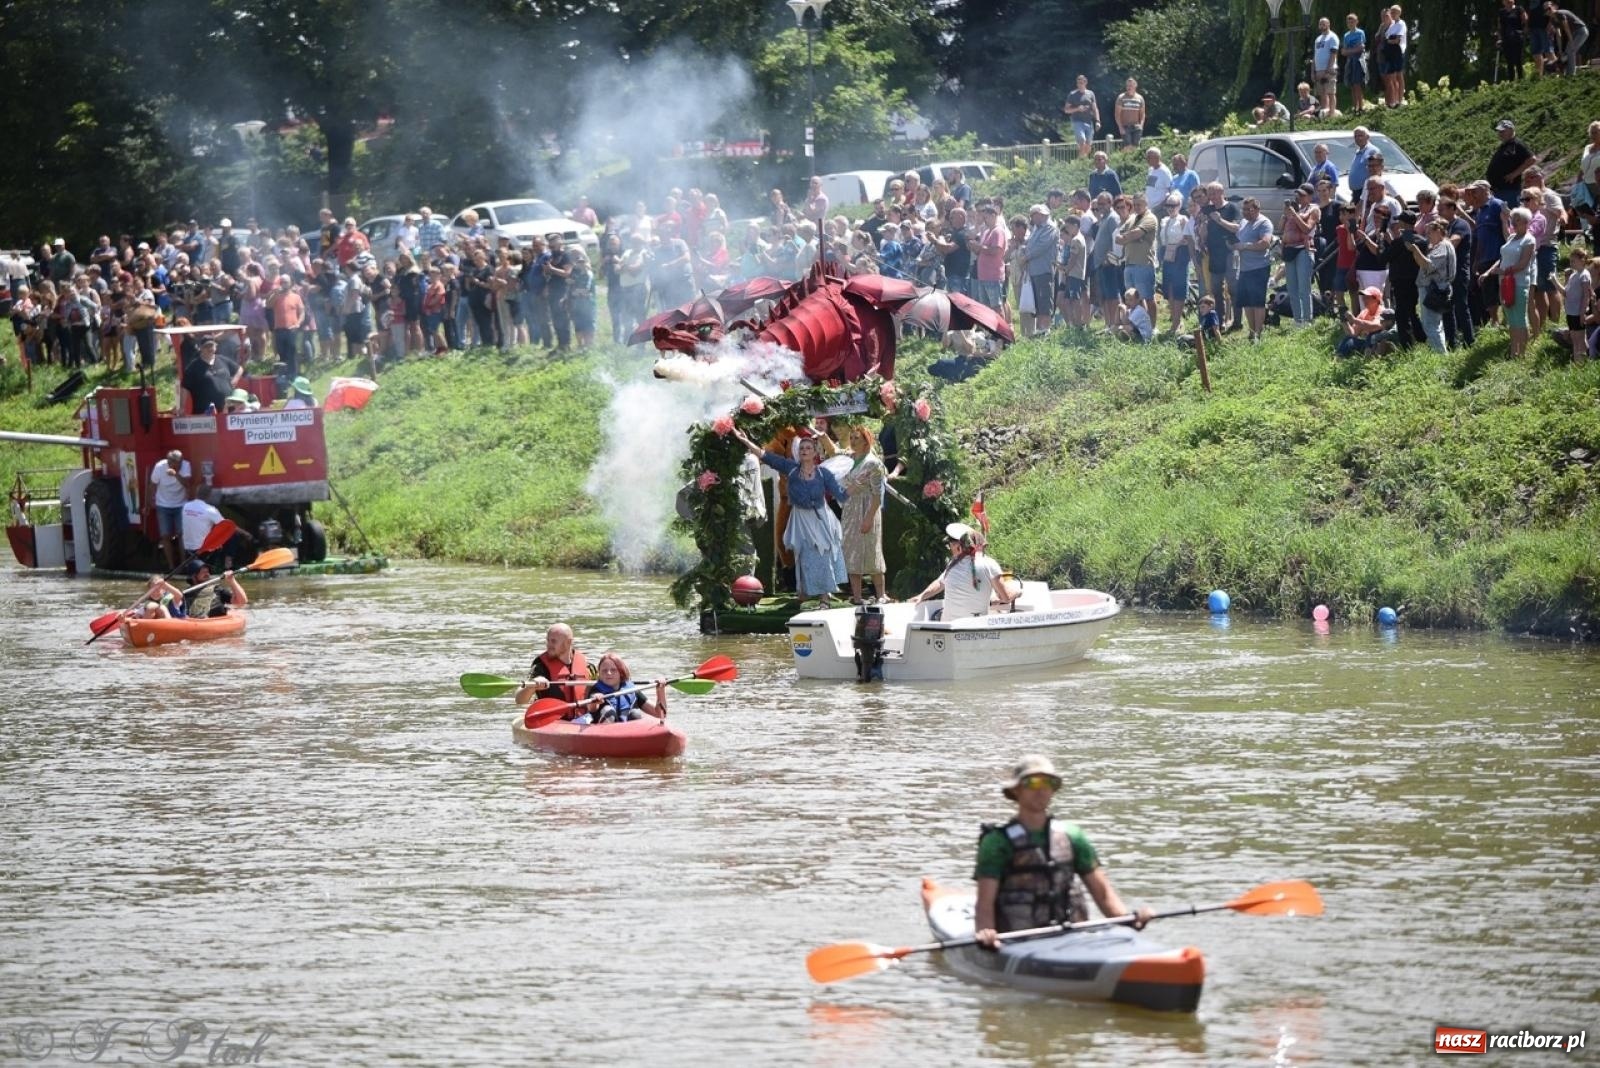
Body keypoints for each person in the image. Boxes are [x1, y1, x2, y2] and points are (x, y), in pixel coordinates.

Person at [973, 754, 1154, 948]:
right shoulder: (996, 842)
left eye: (1047, 782)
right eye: (1032, 782)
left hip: (1072, 938)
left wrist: (1128, 919)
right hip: (1018, 941)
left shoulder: (1073, 836)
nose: (1041, 789)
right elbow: (985, 904)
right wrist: (987, 935)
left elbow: (1103, 895)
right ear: (1017, 790)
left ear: (1053, 789)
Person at [733, 427, 849, 607]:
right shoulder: (791, 468)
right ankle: (802, 594)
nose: (804, 451)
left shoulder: (823, 474)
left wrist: (857, 486)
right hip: (800, 518)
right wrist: (745, 441)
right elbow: (766, 456)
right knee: (802, 555)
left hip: (820, 518)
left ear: (815, 451)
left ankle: (824, 598)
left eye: (808, 448)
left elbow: (841, 495)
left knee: (822, 553)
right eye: (802, 448)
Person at [908, 522, 1014, 619]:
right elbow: (1006, 597)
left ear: (959, 546)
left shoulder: (953, 565)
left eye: (951, 544)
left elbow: (940, 583)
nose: (950, 548)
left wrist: (922, 596)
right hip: (975, 628)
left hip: (948, 627)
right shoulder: (989, 564)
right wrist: (1018, 592)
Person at [839, 425, 889, 605]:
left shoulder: (873, 463)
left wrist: (868, 518)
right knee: (851, 550)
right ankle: (857, 596)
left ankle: (881, 594)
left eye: (857, 438)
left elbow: (878, 494)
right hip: (850, 508)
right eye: (851, 438)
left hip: (868, 507)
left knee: (872, 550)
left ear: (866, 441)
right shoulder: (847, 459)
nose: (852, 441)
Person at [1479, 206, 1538, 358]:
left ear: (1526, 222)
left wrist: (1504, 271)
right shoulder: (1512, 238)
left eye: (1518, 220)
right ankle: (1514, 352)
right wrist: (1489, 272)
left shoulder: (1529, 240)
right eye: (1513, 220)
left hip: (1518, 283)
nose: (1514, 223)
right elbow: (1502, 258)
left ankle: (1522, 353)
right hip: (1505, 283)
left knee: (1519, 318)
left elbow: (1523, 264)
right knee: (1511, 319)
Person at [569, 652, 667, 725]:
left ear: (621, 672)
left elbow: (658, 713)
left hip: (628, 735)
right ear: (599, 674)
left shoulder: (631, 690)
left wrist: (660, 690)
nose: (609, 673)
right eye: (604, 670)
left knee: (635, 714)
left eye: (613, 670)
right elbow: (592, 707)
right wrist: (595, 700)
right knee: (608, 712)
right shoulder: (596, 689)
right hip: (604, 735)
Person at [513, 624, 595, 705]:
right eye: (548, 640)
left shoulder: (588, 666)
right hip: (552, 716)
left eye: (553, 641)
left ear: (568, 642)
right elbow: (519, 700)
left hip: (583, 717)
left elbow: (601, 686)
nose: (549, 645)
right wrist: (532, 686)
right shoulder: (541, 667)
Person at [149, 449, 191, 570]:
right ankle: (171, 566)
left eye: (179, 464)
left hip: (181, 504)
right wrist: (149, 502)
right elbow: (152, 484)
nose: (178, 466)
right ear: (169, 463)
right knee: (165, 535)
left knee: (182, 534)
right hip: (163, 505)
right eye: (175, 464)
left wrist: (176, 474)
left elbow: (187, 484)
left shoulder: (186, 466)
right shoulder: (159, 467)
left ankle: (183, 564)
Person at [1337, 285, 1396, 356]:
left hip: (1377, 341)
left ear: (1376, 299)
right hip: (1366, 342)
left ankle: (1373, 356)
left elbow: (1375, 326)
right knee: (1348, 340)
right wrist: (1344, 321)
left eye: (1367, 297)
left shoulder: (1382, 311)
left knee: (1372, 334)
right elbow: (1353, 334)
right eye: (1363, 297)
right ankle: (1339, 358)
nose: (1364, 299)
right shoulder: (1364, 312)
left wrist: (1354, 320)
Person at [182, 559, 248, 619]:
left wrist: (232, 581)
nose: (207, 574)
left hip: (218, 625)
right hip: (196, 625)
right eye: (203, 572)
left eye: (208, 572)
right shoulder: (184, 594)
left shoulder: (217, 589)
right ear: (193, 576)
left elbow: (242, 602)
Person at [1062, 75, 1099, 158]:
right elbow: (1066, 110)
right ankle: (1081, 161)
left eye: (1082, 82)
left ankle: (1082, 159)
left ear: (1086, 83)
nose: (1080, 84)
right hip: (1077, 122)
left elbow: (1095, 108)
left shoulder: (1090, 94)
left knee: (1088, 145)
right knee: (1082, 140)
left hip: (1089, 122)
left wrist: (1097, 121)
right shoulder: (1072, 94)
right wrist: (1077, 109)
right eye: (1078, 83)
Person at [1342, 13, 1370, 114]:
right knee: (1352, 84)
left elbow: (1361, 48)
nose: (1350, 23)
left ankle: (1360, 107)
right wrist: (1353, 50)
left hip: (1359, 60)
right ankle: (1355, 107)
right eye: (1348, 22)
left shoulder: (1360, 32)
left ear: (1356, 22)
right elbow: (1343, 51)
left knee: (1358, 84)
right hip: (1350, 61)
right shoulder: (1346, 35)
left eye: (1352, 21)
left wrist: (1350, 50)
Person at [1312, 17, 1341, 114]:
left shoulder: (1332, 37)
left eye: (1324, 24)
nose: (1322, 26)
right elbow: (1315, 55)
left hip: (1329, 69)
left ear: (1328, 24)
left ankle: (1331, 114)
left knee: (1331, 92)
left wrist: (1328, 69)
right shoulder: (1318, 39)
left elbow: (1333, 53)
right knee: (1322, 93)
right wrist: (1313, 71)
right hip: (1319, 70)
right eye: (1320, 24)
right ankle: (1324, 113)